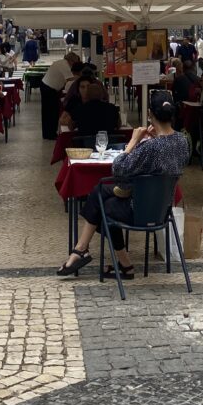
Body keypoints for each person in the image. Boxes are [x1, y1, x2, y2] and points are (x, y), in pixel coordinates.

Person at [56, 90, 189, 278]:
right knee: (102, 197)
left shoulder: (149, 147)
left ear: (150, 114)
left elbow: (118, 169)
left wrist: (134, 141)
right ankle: (118, 264)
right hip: (161, 210)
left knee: (100, 203)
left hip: (138, 210)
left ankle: (83, 251)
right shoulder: (182, 142)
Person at [41, 51, 80, 140]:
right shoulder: (64, 65)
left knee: (48, 112)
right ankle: (50, 134)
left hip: (48, 86)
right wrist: (80, 77)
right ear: (71, 60)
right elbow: (70, 78)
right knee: (51, 111)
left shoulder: (61, 62)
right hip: (49, 88)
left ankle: (48, 133)